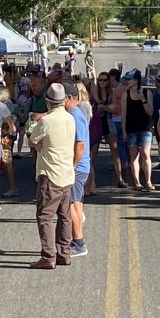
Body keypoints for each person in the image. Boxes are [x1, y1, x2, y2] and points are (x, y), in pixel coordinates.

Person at [26, 83, 82, 269]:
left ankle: (48, 255)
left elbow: (32, 140)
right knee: (64, 216)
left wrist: (34, 125)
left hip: (50, 173)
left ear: (49, 102)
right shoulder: (70, 118)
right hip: (66, 172)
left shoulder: (46, 121)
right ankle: (64, 253)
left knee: (45, 216)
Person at [67, 82, 94, 256]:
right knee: (77, 203)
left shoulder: (75, 115)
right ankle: (75, 239)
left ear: (71, 98)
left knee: (72, 204)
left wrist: (72, 165)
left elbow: (81, 144)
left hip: (78, 167)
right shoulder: (76, 113)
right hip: (82, 166)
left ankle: (78, 243)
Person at [122, 71, 156, 193]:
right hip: (131, 128)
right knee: (134, 155)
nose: (127, 81)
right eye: (126, 79)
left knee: (146, 154)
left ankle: (148, 181)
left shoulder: (147, 93)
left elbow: (150, 112)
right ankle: (137, 182)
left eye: (129, 79)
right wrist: (124, 131)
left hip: (145, 128)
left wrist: (143, 99)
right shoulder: (126, 94)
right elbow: (124, 114)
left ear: (136, 80)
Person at [108, 69, 129, 186]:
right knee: (123, 143)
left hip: (117, 118)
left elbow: (114, 106)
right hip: (122, 117)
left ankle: (123, 163)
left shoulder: (118, 89)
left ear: (113, 77)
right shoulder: (124, 88)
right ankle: (124, 163)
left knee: (119, 143)